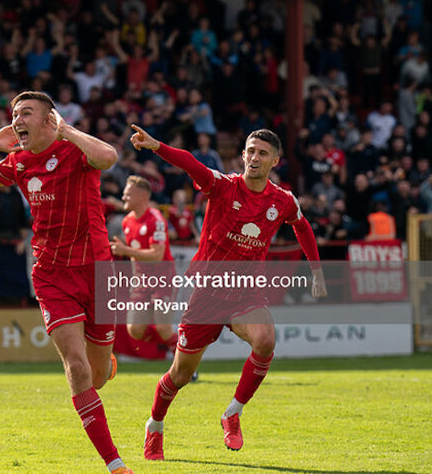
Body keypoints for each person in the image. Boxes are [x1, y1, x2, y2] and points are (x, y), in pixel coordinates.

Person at [129, 124, 326, 459]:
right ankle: (155, 426)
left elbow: (302, 225)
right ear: (242, 155)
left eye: (262, 153)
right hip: (208, 293)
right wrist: (157, 146)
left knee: (266, 340)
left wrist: (317, 270)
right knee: (180, 375)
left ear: (274, 161)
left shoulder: (282, 201)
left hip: (247, 293)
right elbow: (192, 164)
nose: (254, 157)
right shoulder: (223, 186)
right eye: (250, 150)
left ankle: (232, 413)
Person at [0, 91, 132, 474]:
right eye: (14, 114)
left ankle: (104, 363)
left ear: (48, 120)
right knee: (76, 369)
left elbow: (109, 158)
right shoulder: (20, 161)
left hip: (97, 272)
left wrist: (68, 131)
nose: (17, 119)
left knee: (95, 376)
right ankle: (115, 464)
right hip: (51, 275)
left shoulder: (75, 151)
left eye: (26, 113)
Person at [109, 175, 180, 358]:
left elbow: (156, 255)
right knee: (135, 330)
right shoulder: (127, 221)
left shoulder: (155, 219)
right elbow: (135, 255)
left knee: (163, 327)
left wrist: (125, 250)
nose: (123, 198)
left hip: (162, 278)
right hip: (142, 281)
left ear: (142, 196)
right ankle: (179, 344)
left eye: (128, 194)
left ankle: (185, 357)